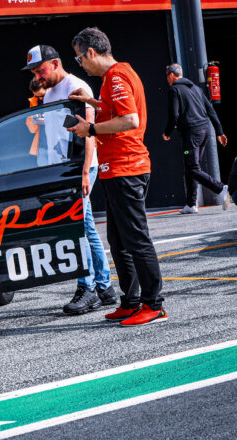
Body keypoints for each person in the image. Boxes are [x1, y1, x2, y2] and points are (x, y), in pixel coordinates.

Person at [67, 27, 166, 326]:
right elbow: (118, 111)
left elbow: (130, 119)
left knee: (135, 239)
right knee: (119, 240)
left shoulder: (117, 76)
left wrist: (92, 129)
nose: (80, 65)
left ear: (92, 52)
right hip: (117, 167)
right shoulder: (116, 77)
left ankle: (154, 304)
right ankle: (132, 301)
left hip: (127, 167)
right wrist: (95, 104)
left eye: (80, 59)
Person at [22, 43, 117, 314]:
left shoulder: (76, 87)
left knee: (77, 226)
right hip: (67, 170)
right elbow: (65, 132)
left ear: (55, 63)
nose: (37, 77)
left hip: (81, 169)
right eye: (34, 73)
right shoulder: (51, 93)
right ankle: (104, 286)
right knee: (85, 226)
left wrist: (85, 171)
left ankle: (87, 288)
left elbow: (88, 133)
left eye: (40, 71)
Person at [162, 63, 230, 214]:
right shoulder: (197, 89)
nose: (167, 80)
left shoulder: (174, 90)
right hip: (204, 131)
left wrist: (167, 132)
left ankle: (221, 188)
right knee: (191, 167)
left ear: (171, 75)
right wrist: (219, 131)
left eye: (167, 76)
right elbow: (210, 110)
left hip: (192, 134)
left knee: (192, 168)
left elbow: (174, 115)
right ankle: (191, 204)